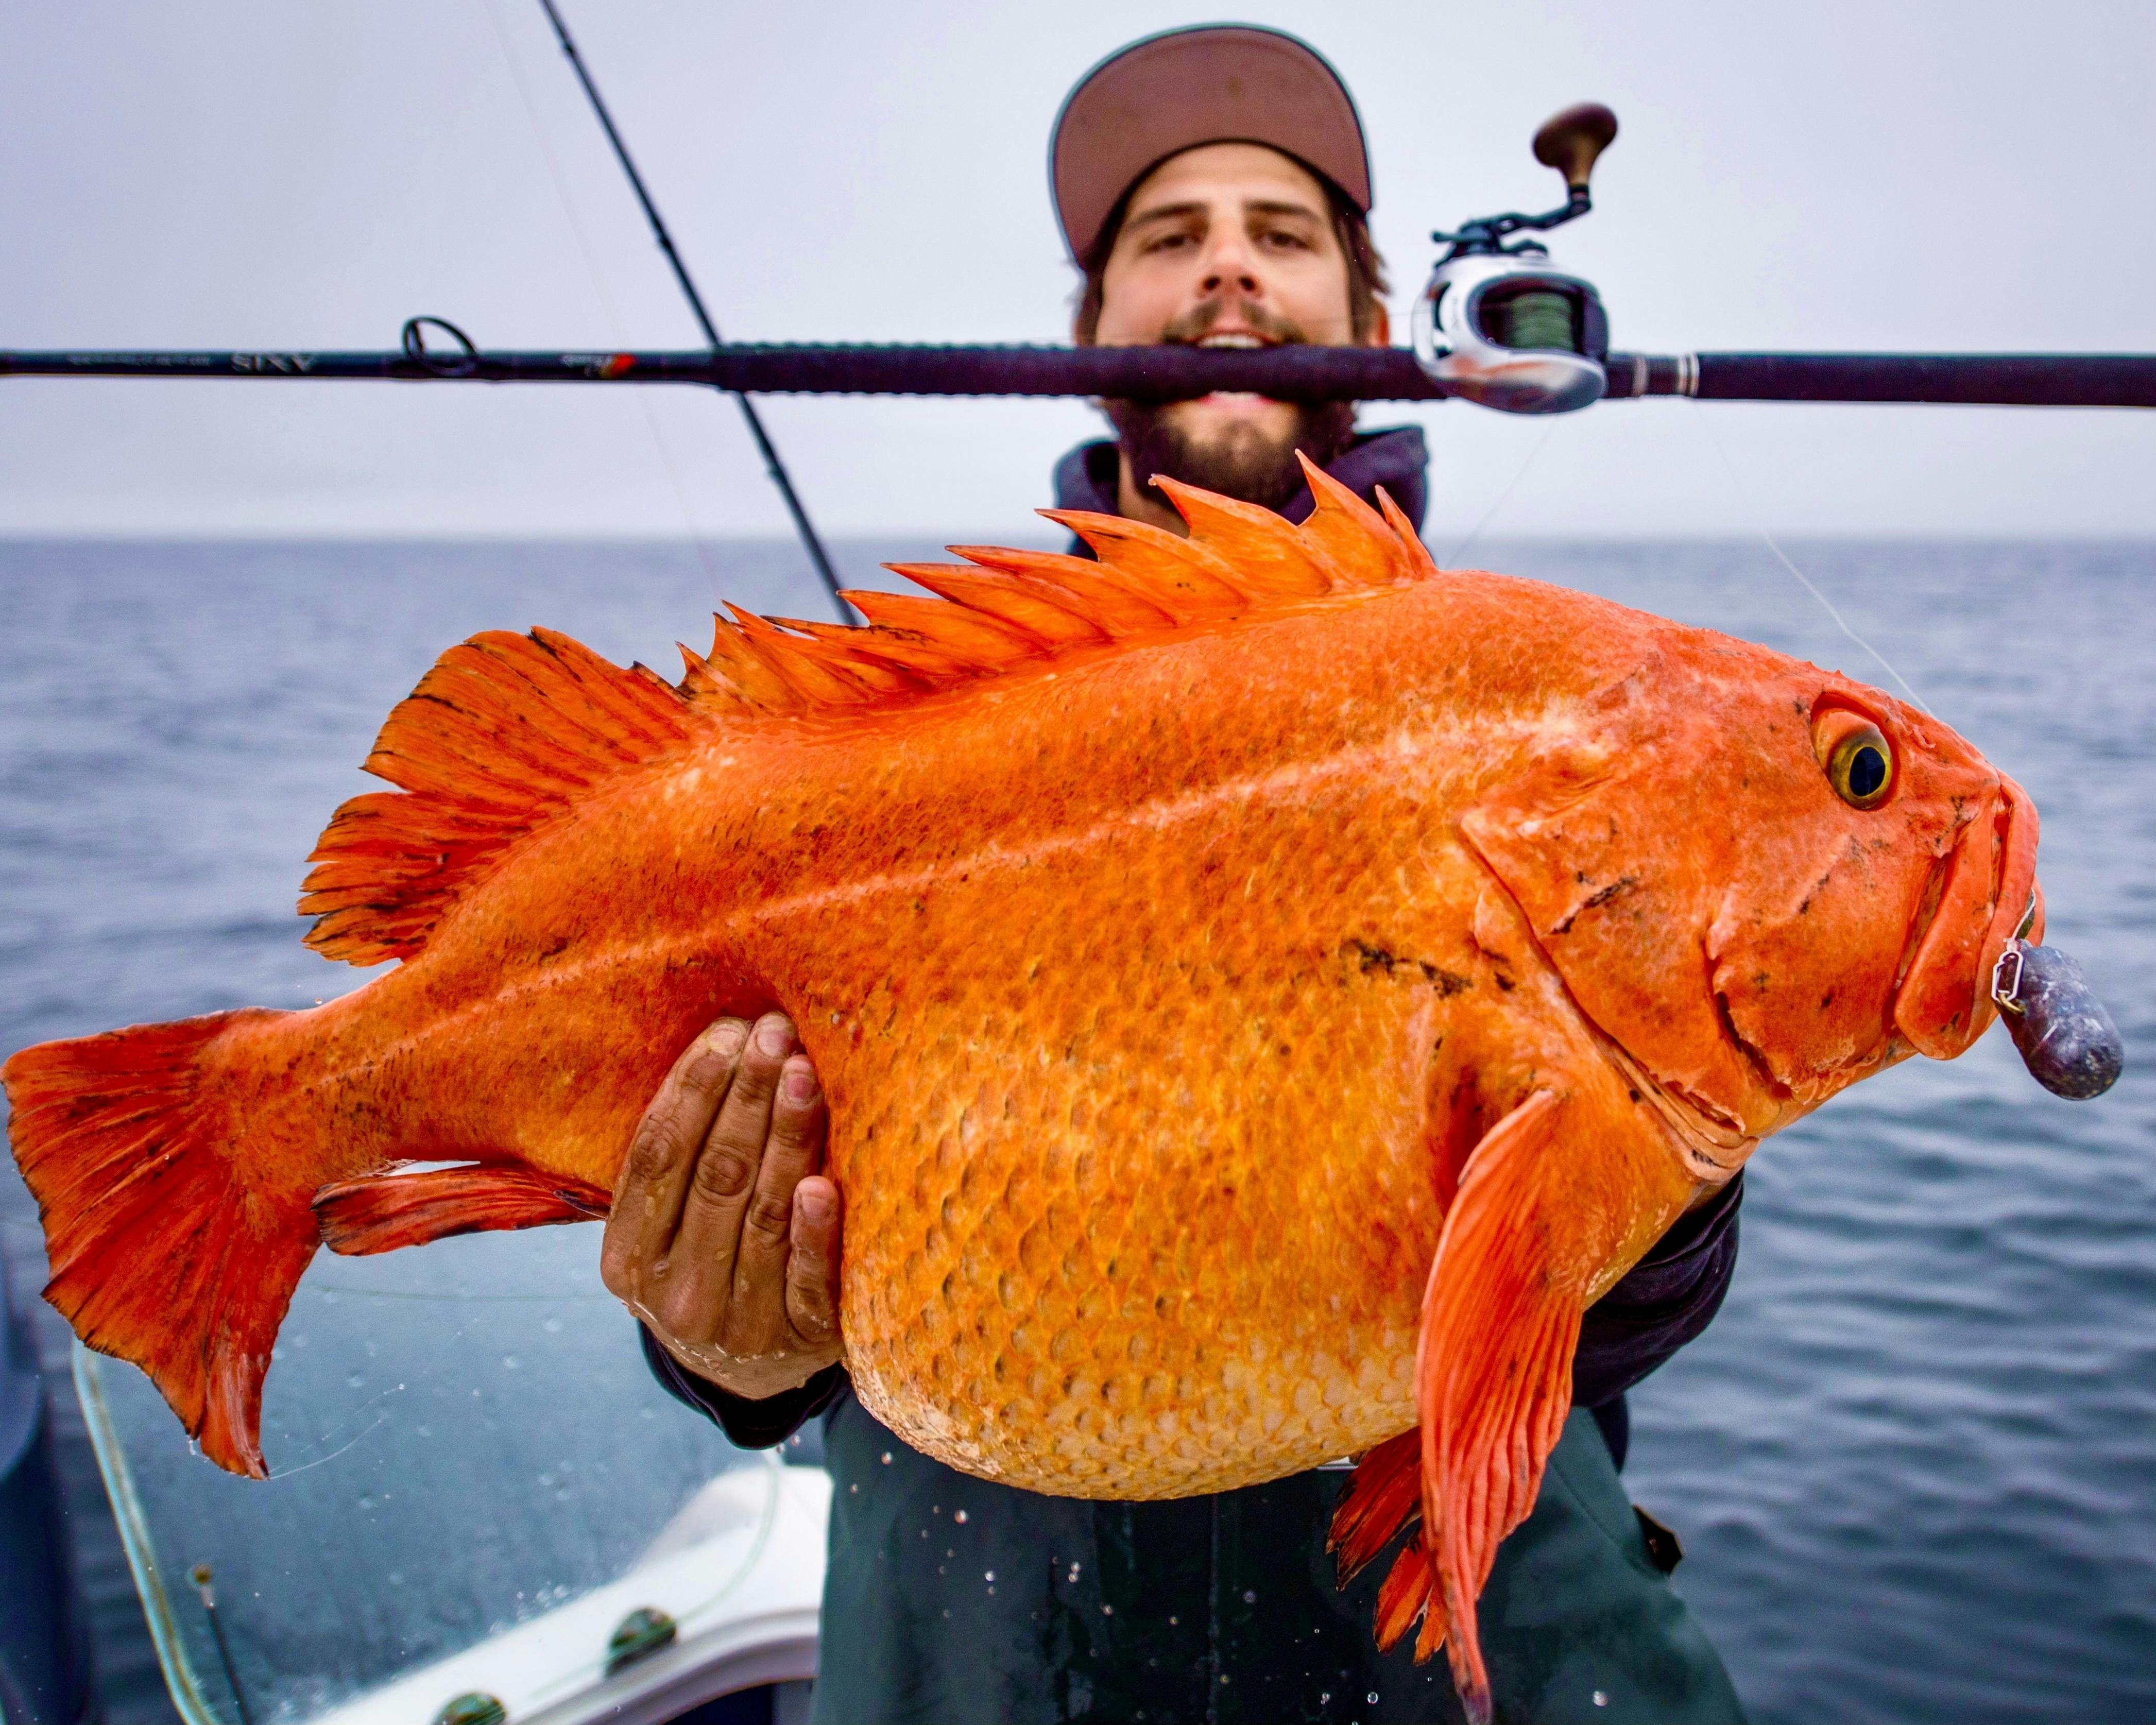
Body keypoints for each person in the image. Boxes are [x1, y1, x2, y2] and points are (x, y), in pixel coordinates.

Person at [601, 27, 1747, 1724]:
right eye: (1167, 235)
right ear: (1090, 336)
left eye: (1283, 233)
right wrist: (722, 1352)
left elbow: (1634, 1308)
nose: (1225, 261)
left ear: (1370, 319)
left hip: (1470, 1602)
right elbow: (708, 1181)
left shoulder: (1553, 720)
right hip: (971, 1609)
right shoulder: (916, 736)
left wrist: (1644, 1140)